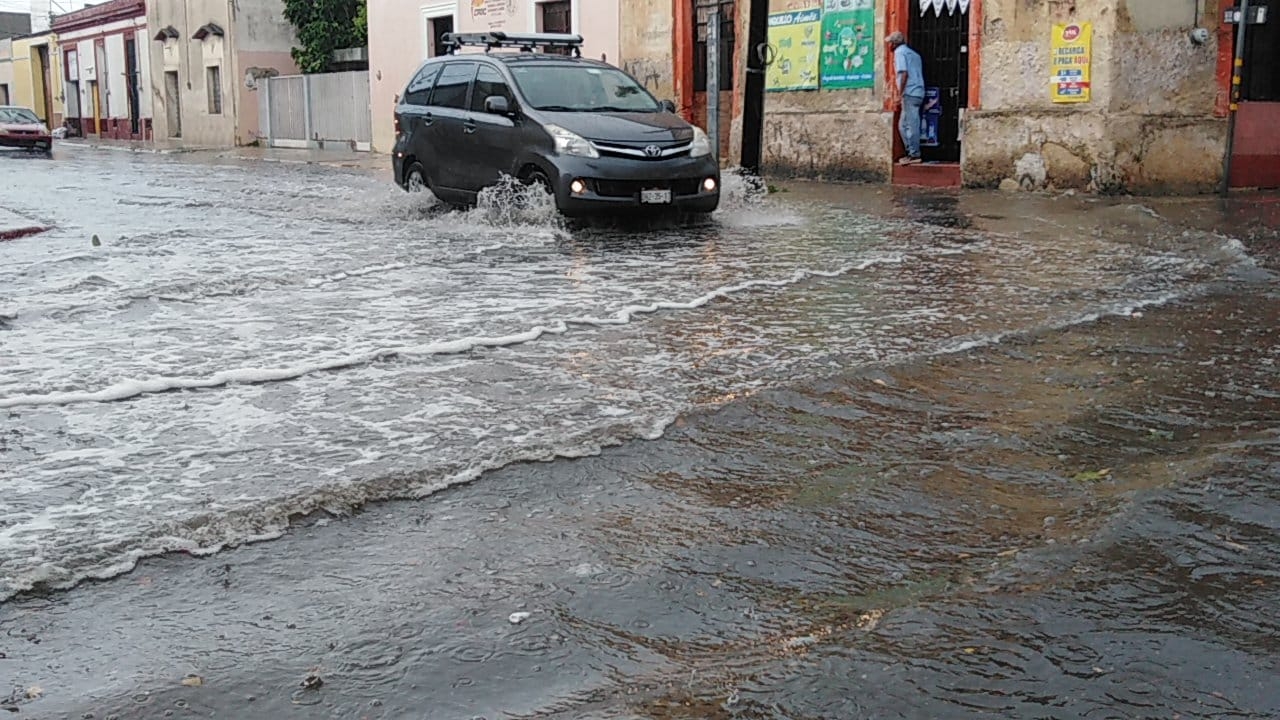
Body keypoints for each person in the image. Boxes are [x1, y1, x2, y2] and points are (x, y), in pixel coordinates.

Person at [886, 32, 925, 165]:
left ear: (894, 43)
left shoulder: (899, 53)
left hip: (909, 92)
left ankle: (914, 154)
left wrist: (899, 93)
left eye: (890, 43)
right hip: (918, 91)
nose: (889, 46)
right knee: (903, 125)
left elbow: (903, 73)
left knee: (910, 124)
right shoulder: (915, 55)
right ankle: (911, 152)